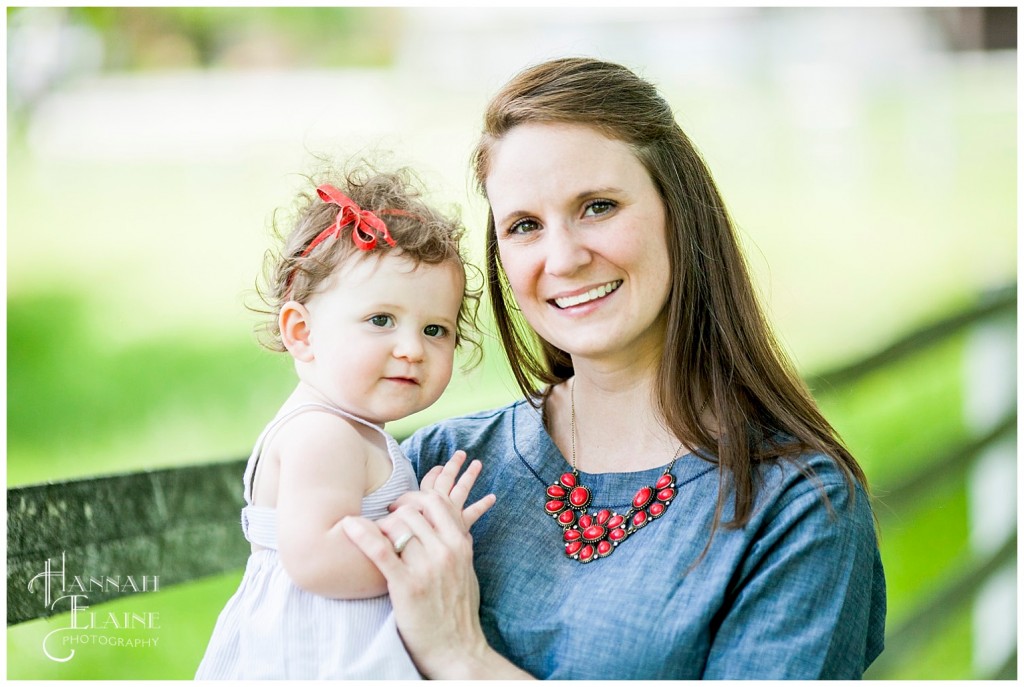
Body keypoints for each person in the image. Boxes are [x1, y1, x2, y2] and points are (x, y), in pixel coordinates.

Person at [341, 57, 887, 679]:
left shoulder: (797, 508)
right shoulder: (440, 467)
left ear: (678, 212)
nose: (564, 257)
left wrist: (461, 657)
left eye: (598, 206)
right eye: (524, 226)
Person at [195, 165, 494, 679]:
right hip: (313, 658)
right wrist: (418, 532)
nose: (411, 349)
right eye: (381, 320)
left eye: (435, 329)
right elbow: (317, 560)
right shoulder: (324, 434)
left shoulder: (350, 428)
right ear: (302, 332)